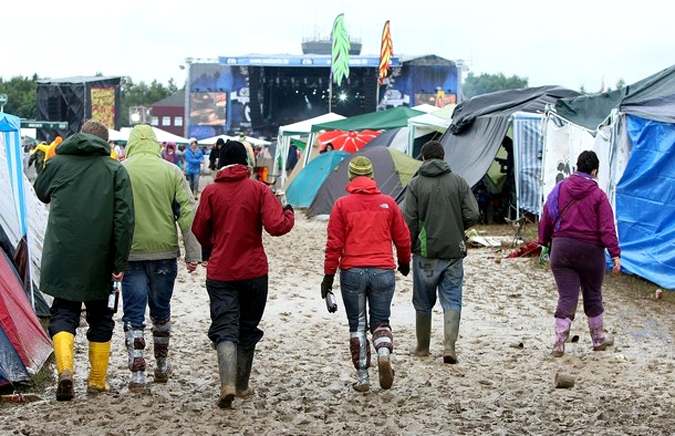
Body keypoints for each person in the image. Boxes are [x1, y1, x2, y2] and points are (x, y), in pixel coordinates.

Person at [34, 120, 135, 401]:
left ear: (78, 136)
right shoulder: (115, 170)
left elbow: (41, 191)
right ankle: (96, 382)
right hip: (100, 258)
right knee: (101, 317)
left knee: (63, 312)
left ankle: (65, 370)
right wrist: (120, 261)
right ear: (106, 143)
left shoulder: (57, 163)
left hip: (62, 254)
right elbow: (124, 221)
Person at [191, 141, 294, 409]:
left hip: (221, 271)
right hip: (254, 272)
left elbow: (199, 230)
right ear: (245, 163)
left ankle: (226, 384)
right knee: (247, 327)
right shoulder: (259, 189)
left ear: (220, 164)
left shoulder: (210, 192)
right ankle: (242, 385)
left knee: (225, 326)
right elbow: (276, 226)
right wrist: (289, 213)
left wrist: (214, 244)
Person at [120, 124, 202, 392]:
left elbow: (113, 216)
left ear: (131, 143)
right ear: (155, 143)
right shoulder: (173, 171)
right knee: (161, 311)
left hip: (130, 254)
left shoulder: (120, 170)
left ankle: (137, 373)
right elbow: (187, 213)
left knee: (134, 313)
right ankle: (162, 365)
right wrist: (194, 253)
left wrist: (110, 257)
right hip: (165, 253)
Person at [321, 156, 411, 392]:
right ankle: (383, 351)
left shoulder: (341, 205)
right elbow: (403, 238)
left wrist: (328, 277)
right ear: (372, 177)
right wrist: (404, 262)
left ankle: (363, 378)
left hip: (353, 272)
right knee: (381, 321)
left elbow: (334, 244)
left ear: (350, 177)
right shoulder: (389, 203)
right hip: (383, 270)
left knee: (357, 326)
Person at [403, 141, 480, 364]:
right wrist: (458, 225)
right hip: (454, 250)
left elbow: (409, 220)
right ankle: (449, 347)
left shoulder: (415, 184)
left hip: (425, 252)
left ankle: (422, 347)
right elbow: (473, 212)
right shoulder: (458, 181)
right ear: (444, 157)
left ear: (424, 159)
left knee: (423, 302)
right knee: (452, 299)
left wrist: (408, 248)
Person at [538, 150, 620, 357]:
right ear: (594, 171)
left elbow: (547, 216)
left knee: (567, 296)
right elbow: (607, 228)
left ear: (576, 167)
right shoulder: (599, 196)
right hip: (591, 253)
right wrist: (615, 254)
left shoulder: (559, 189)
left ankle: (558, 343)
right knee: (593, 294)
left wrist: (544, 243)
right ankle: (598, 339)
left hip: (562, 249)